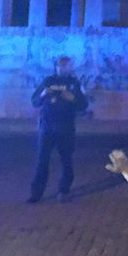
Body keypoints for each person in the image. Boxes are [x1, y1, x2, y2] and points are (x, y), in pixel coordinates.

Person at [27, 57, 88, 203]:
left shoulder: (74, 83)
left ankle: (64, 190)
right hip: (47, 127)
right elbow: (35, 101)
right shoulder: (48, 81)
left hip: (66, 127)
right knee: (42, 160)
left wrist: (72, 98)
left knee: (66, 160)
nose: (63, 68)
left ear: (71, 67)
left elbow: (83, 105)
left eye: (66, 66)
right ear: (56, 67)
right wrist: (44, 94)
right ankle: (36, 193)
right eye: (61, 66)